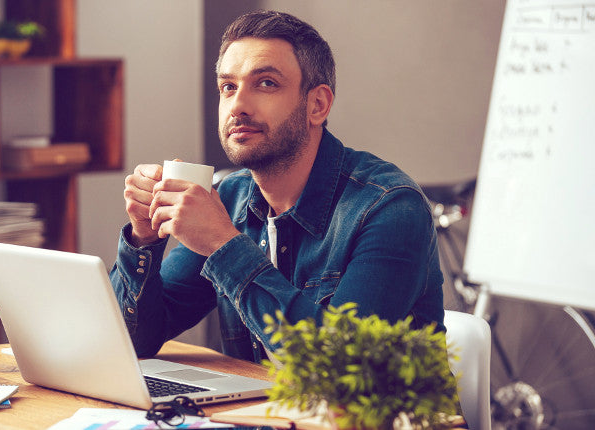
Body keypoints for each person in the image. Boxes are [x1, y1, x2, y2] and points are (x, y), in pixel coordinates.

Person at [110, 10, 444, 362]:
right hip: (262, 415)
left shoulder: (390, 208)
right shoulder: (231, 198)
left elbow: (342, 366)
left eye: (266, 83)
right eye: (228, 87)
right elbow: (131, 343)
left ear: (317, 105)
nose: (237, 105)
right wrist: (143, 238)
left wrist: (224, 244)